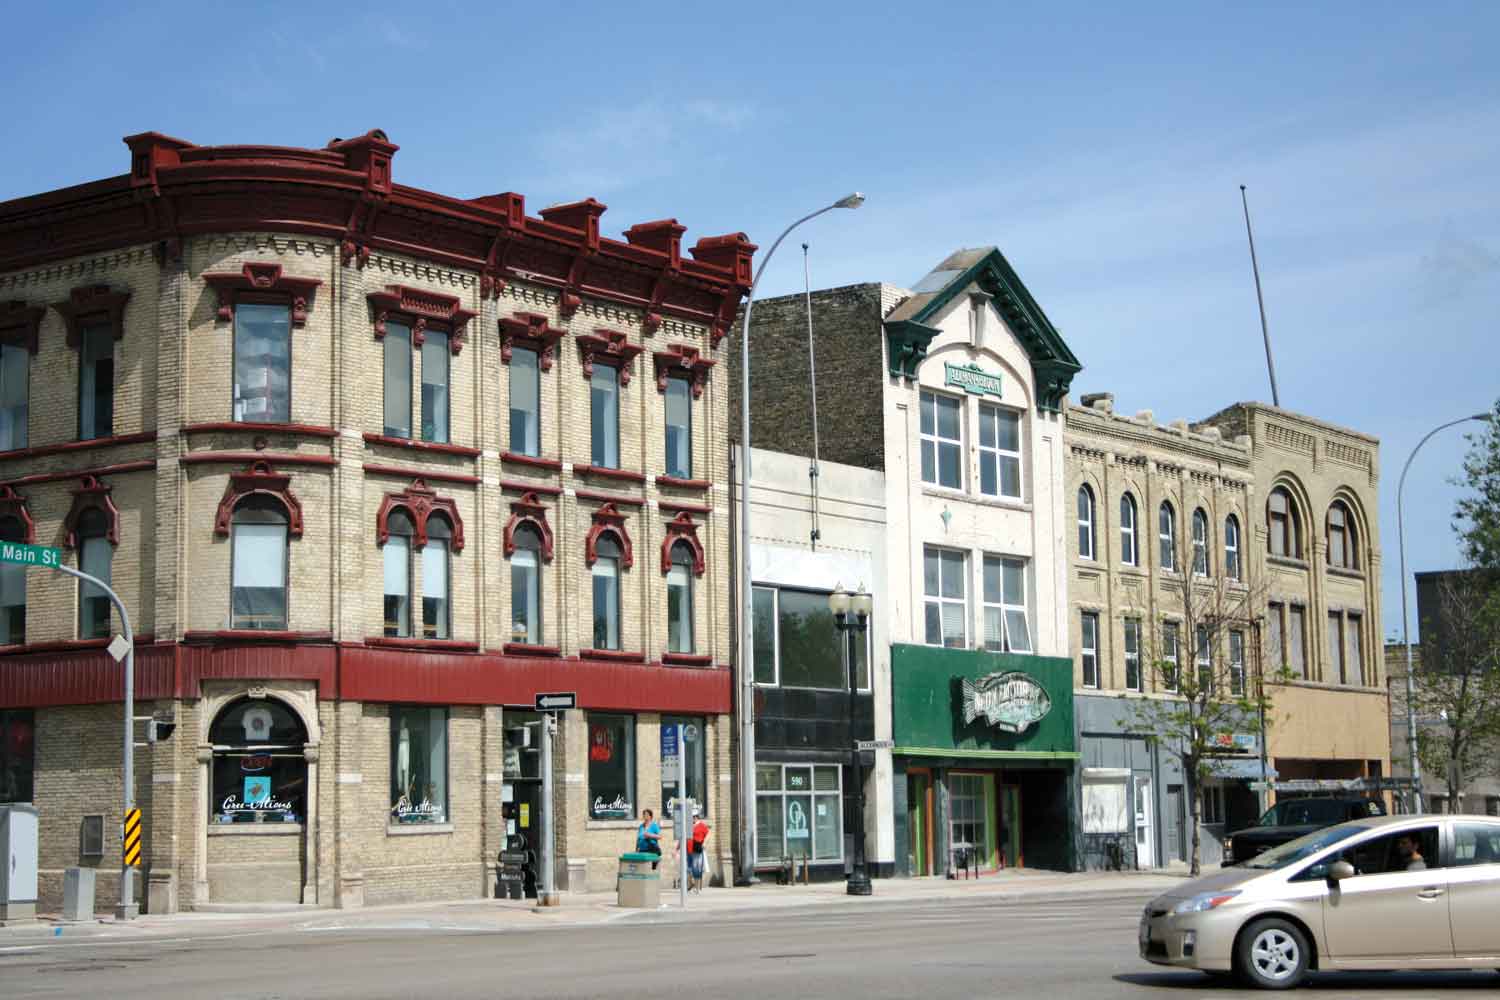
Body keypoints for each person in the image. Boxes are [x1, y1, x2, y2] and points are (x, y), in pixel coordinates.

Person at [687, 809, 711, 892]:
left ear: (696, 817)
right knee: (688, 869)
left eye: (693, 817)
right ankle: (691, 884)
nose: (692, 819)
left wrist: (705, 843)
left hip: (696, 849)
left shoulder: (702, 825)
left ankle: (697, 887)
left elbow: (708, 834)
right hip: (688, 849)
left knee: (696, 867)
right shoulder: (690, 825)